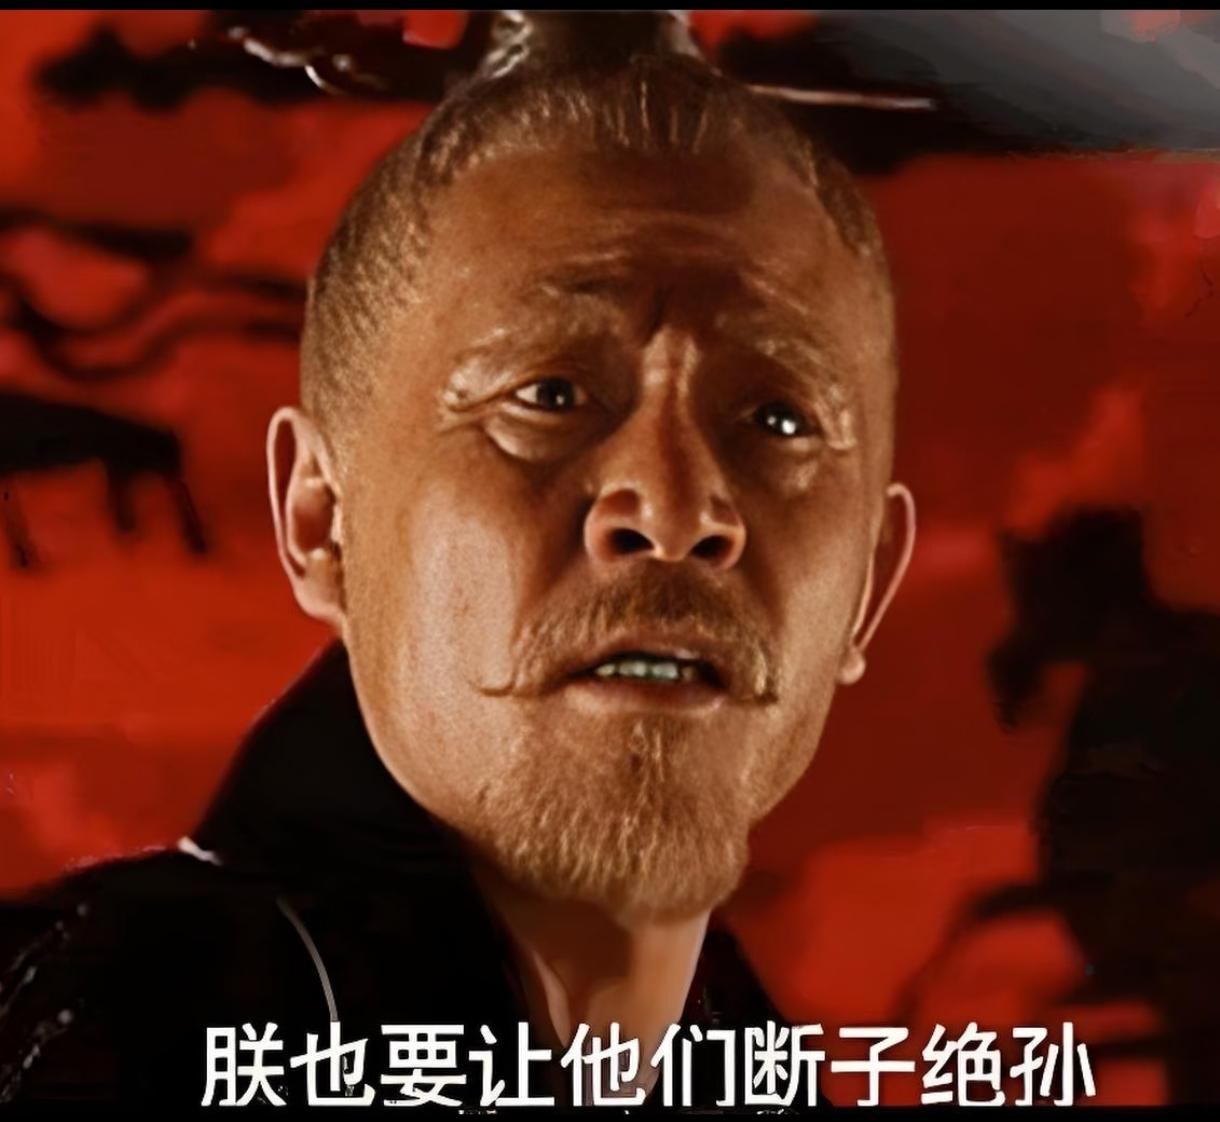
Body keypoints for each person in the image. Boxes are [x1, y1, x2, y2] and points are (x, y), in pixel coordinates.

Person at [0, 11, 915, 1108]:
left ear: (871, 583)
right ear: (320, 520)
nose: (675, 511)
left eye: (777, 420)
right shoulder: (101, 1031)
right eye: (549, 395)